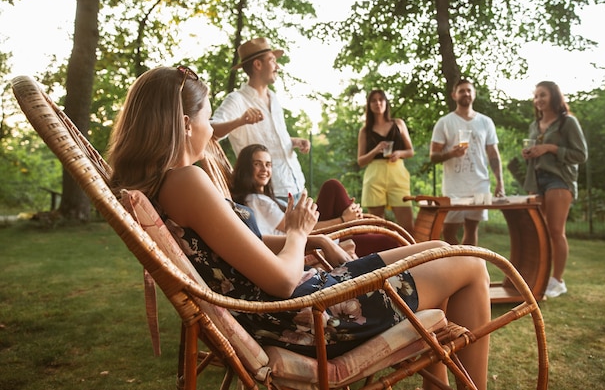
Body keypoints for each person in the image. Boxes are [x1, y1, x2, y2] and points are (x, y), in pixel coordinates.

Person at [107, 66, 491, 389]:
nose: (213, 129)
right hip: (308, 316)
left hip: (301, 303)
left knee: (441, 249)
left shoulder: (168, 186)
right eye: (209, 118)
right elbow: (281, 282)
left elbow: (242, 245)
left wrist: (317, 236)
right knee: (471, 266)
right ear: (187, 125)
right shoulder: (186, 182)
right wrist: (297, 232)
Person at [231, 143, 401, 257]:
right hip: (313, 245)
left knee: (332, 188)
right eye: (257, 164)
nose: (265, 169)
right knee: (390, 240)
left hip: (323, 237)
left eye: (268, 164)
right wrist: (344, 219)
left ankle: (357, 226)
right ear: (246, 168)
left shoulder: (266, 199)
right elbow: (299, 229)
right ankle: (356, 225)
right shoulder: (256, 201)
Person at [210, 37, 309, 202]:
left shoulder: (274, 98)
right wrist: (240, 121)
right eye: (272, 60)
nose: (277, 66)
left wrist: (294, 141)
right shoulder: (237, 100)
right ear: (257, 65)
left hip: (297, 184)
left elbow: (272, 138)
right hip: (271, 192)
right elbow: (211, 130)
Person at [522, 81, 587, 298]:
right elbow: (536, 152)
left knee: (556, 231)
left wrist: (549, 148)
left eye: (543, 95)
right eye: (536, 96)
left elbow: (581, 155)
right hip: (537, 180)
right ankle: (540, 278)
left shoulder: (567, 123)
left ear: (554, 97)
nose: (538, 99)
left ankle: (558, 281)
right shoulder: (535, 125)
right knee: (538, 233)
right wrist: (530, 153)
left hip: (559, 179)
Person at [430, 79, 505, 245]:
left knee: (472, 228)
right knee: (448, 231)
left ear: (474, 94)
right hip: (454, 186)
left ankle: (468, 266)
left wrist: (500, 182)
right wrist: (451, 153)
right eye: (462, 91)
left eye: (469, 90)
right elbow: (433, 156)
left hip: (480, 184)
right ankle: (460, 263)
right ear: (454, 95)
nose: (466, 94)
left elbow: (493, 153)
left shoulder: (486, 122)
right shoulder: (444, 122)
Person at [357, 89, 415, 235]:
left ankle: (413, 256)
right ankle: (381, 257)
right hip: (374, 175)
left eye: (381, 99)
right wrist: (375, 150)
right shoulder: (365, 131)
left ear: (386, 102)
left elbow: (410, 151)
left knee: (407, 227)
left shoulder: (398, 124)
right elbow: (360, 161)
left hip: (397, 173)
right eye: (373, 100)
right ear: (369, 105)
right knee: (376, 227)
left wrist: (399, 153)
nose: (378, 103)